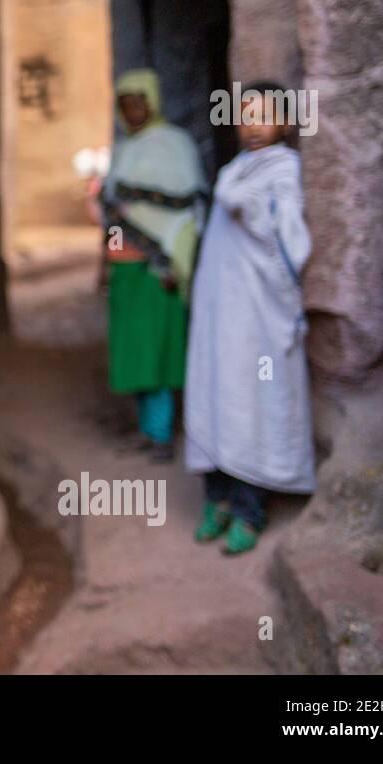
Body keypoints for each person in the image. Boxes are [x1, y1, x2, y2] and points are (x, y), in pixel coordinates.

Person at [185, 82, 313, 554]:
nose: (253, 125)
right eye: (246, 115)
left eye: (264, 115)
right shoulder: (235, 170)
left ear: (284, 122)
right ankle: (216, 501)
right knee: (216, 396)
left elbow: (290, 244)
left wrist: (253, 209)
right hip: (221, 316)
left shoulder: (284, 171)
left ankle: (249, 509)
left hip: (256, 318)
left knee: (250, 403)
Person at [96, 69, 206, 462]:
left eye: (138, 101)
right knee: (135, 351)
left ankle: (161, 435)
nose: (132, 110)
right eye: (124, 104)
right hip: (124, 268)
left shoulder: (175, 145)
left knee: (159, 351)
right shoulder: (125, 148)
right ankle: (146, 429)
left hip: (158, 269)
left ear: (153, 101)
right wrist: (104, 268)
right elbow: (113, 211)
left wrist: (172, 262)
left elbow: (186, 207)